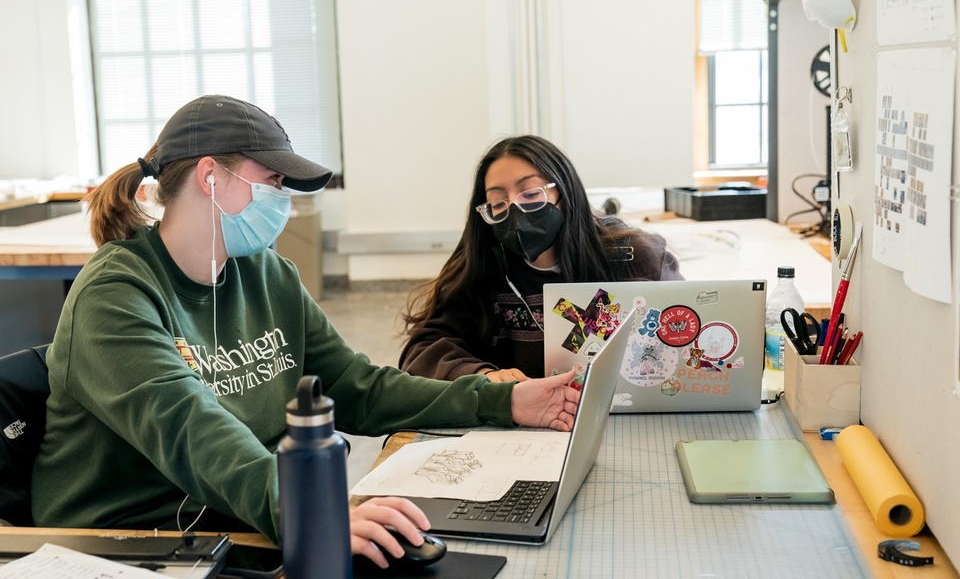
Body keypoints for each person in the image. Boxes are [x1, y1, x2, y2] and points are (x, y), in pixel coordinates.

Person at [30, 96, 582, 570]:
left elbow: (355, 386)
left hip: (239, 518)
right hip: (129, 548)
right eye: (271, 180)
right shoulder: (115, 292)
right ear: (210, 177)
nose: (283, 199)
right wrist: (308, 512)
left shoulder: (266, 273)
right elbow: (188, 427)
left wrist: (502, 400)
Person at [400, 135, 683, 383]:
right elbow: (425, 348)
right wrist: (482, 377)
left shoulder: (633, 257)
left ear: (564, 190)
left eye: (531, 193)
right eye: (499, 203)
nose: (515, 210)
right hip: (523, 424)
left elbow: (686, 330)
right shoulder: (485, 266)